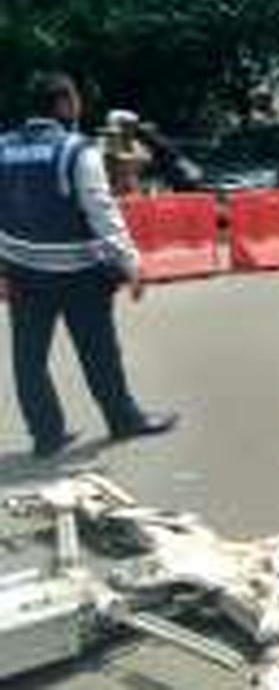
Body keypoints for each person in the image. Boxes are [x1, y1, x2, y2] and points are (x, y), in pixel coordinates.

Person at [0, 72, 178, 459]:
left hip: (23, 270)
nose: (78, 106)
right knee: (99, 353)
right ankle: (123, 419)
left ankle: (46, 435)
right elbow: (102, 212)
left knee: (28, 358)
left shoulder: (4, 149)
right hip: (78, 272)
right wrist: (130, 262)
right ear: (63, 103)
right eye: (75, 99)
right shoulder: (76, 150)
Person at [99, 109, 153, 197]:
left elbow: (146, 159)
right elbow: (116, 159)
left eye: (132, 126)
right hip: (111, 189)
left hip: (131, 189)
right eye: (128, 126)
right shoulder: (104, 143)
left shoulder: (133, 143)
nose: (132, 130)